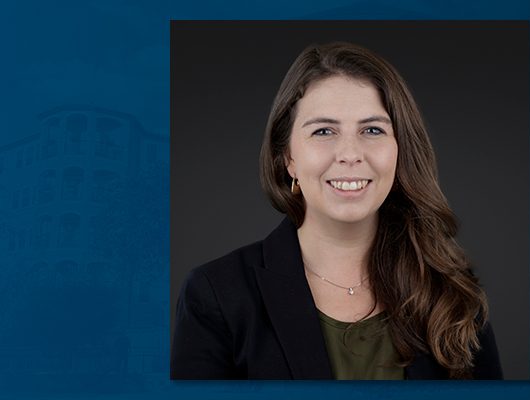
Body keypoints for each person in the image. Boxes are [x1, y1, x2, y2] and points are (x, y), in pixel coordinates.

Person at [171, 42, 503, 380]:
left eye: (372, 130)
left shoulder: (451, 292)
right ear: (288, 158)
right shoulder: (216, 293)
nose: (349, 154)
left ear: (400, 150)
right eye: (324, 131)